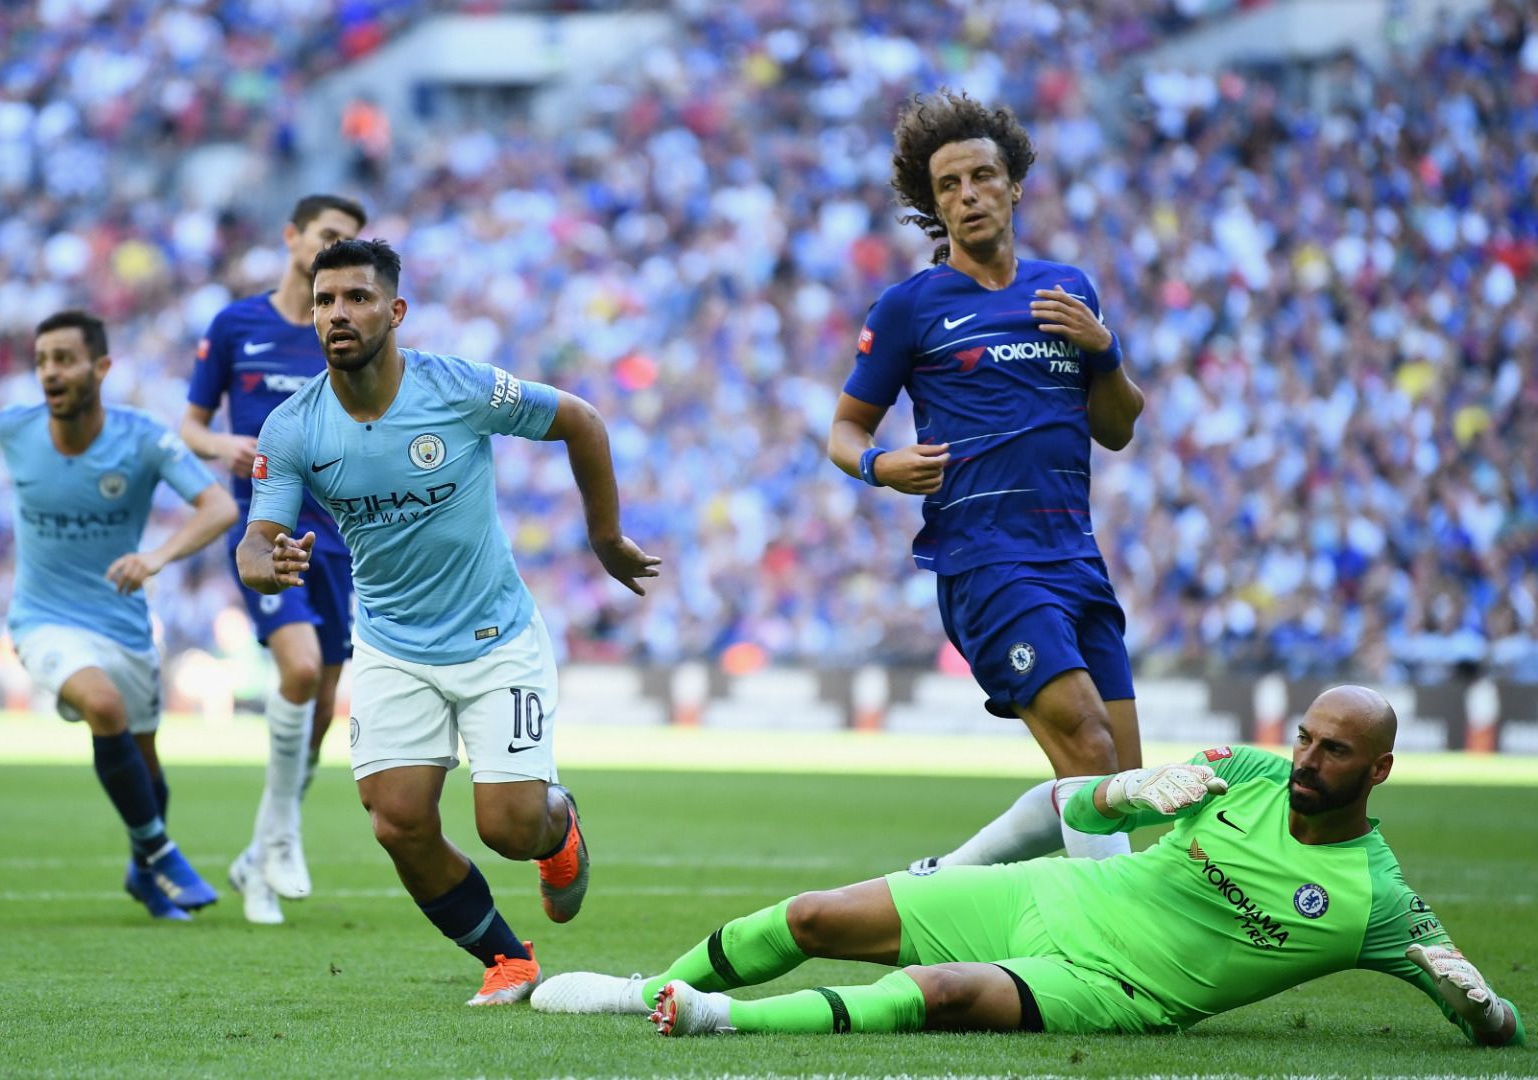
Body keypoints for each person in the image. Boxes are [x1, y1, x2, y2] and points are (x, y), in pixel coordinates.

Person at [532, 687, 1526, 1049]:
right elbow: (1074, 808)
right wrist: (1129, 791)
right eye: (1305, 737)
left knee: (940, 993)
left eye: (1333, 751)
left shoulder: (1379, 902)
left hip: (1117, 988)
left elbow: (1497, 1025)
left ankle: (716, 1019)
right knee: (813, 916)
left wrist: (1482, 1011)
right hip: (1057, 893)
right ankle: (643, 989)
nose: (1306, 760)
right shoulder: (1248, 773)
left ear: (1378, 770)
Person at [237, 238, 660, 1004]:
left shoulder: (459, 389)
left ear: (395, 311)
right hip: (393, 646)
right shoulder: (293, 427)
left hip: (496, 639)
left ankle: (558, 823)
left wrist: (604, 538)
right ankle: (507, 959)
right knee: (396, 823)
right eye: (325, 300)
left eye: (357, 298)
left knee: (508, 829)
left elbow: (583, 419)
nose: (338, 313)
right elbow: (256, 542)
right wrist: (267, 562)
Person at [827, 90, 1148, 868]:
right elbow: (844, 429)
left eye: (981, 177)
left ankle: (944, 879)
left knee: (1121, 784)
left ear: (1014, 186)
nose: (968, 195)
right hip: (985, 558)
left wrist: (1104, 349)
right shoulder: (910, 308)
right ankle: (1119, 933)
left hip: (1074, 555)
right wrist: (878, 465)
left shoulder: (1067, 289)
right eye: (949, 186)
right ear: (933, 205)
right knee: (1089, 747)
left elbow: (1117, 429)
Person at [0, 309, 239, 921]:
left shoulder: (143, 438)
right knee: (103, 707)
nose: (51, 372)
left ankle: (143, 873)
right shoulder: (14, 429)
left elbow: (219, 508)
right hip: (42, 618)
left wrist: (155, 557)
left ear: (100, 367)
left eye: (65, 359)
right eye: (42, 361)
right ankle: (161, 852)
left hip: (123, 623)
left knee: (148, 769)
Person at [179, 194, 366, 925]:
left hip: (340, 537)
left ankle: (260, 854)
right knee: (297, 670)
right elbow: (191, 426)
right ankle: (279, 846)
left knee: (321, 705)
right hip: (267, 533)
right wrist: (222, 444)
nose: (335, 250)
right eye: (327, 236)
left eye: (349, 243)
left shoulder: (346, 331)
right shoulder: (236, 325)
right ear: (292, 237)